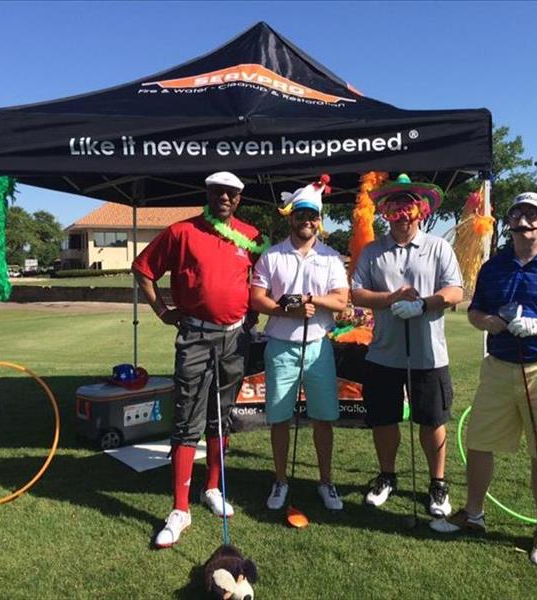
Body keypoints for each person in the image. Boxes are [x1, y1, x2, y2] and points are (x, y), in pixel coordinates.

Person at [430, 192, 537, 568]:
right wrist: (486, 321)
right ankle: (473, 514)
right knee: (479, 442)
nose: (525, 221)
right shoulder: (494, 266)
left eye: (534, 215)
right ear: (510, 223)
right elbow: (475, 312)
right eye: (518, 214)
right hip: (500, 365)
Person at [132, 171, 268, 548]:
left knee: (221, 415)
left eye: (232, 193)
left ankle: (212, 488)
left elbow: (260, 282)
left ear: (240, 198)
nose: (224, 197)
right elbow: (143, 270)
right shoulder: (181, 232)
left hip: (236, 338)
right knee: (187, 415)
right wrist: (161, 310)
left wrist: (253, 317)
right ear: (206, 194)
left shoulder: (253, 237)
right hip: (195, 335)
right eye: (218, 192)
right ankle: (180, 508)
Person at [351, 174, 463, 517]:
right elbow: (356, 293)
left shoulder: (439, 247)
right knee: (384, 420)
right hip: (384, 352)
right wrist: (390, 298)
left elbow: (456, 291)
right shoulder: (373, 251)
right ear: (385, 212)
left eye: (408, 207)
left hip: (429, 354)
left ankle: (437, 483)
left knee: (431, 420)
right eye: (394, 208)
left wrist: (424, 304)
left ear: (421, 211)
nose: (401, 215)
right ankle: (387, 476)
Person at [250, 175, 349, 511]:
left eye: (313, 216)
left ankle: (326, 482)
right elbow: (256, 299)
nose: (306, 221)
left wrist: (312, 301)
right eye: (301, 215)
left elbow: (341, 301)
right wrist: (287, 310)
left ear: (319, 221)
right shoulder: (271, 256)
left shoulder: (332, 257)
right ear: (290, 216)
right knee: (279, 418)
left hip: (318, 346)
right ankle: (280, 481)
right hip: (280, 345)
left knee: (323, 418)